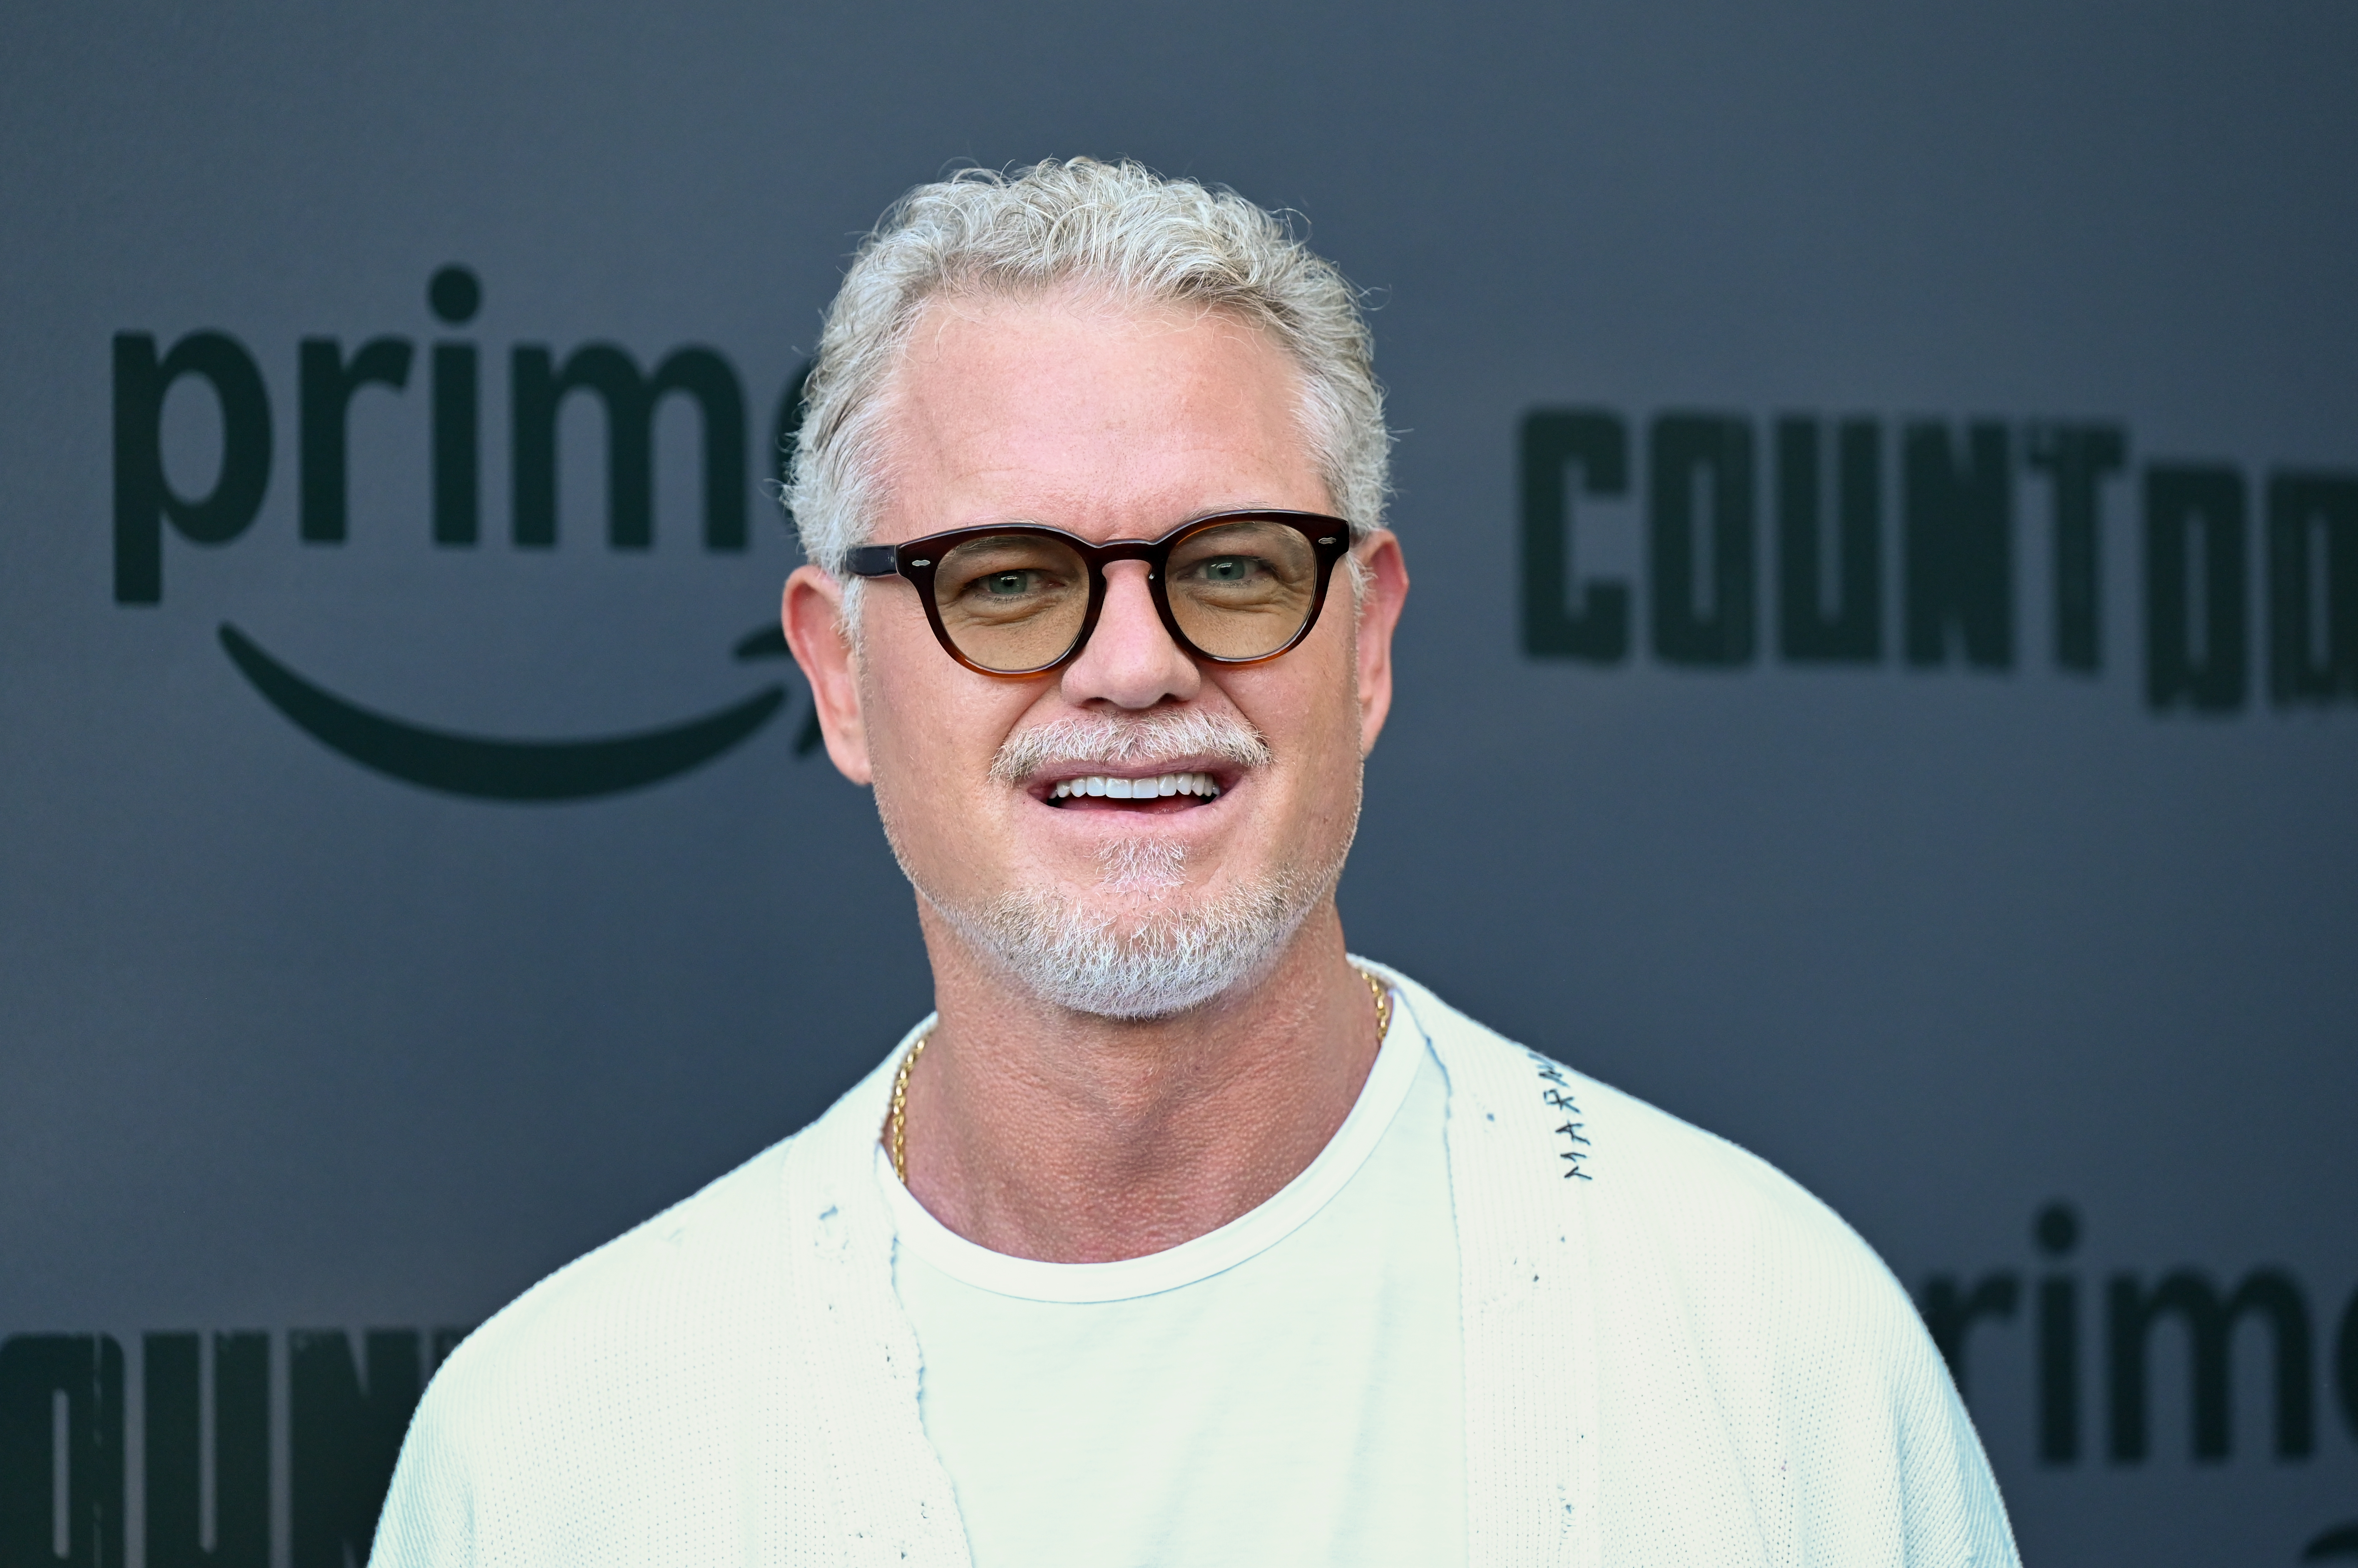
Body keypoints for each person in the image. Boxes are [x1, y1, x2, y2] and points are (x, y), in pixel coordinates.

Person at [373, 159, 2017, 1567]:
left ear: (1364, 641)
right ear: (839, 676)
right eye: (1008, 581)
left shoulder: (1773, 1355)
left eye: (1231, 568)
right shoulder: (561, 1454)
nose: (1137, 665)